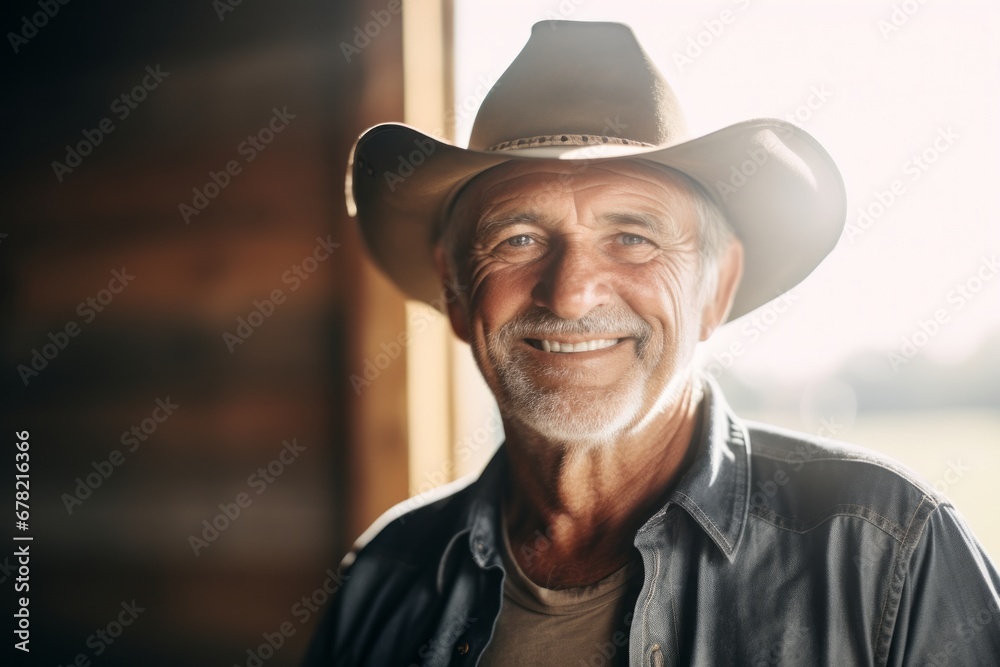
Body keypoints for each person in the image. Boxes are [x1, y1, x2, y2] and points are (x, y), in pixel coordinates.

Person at [305, 20, 1000, 666]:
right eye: (518, 238)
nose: (572, 292)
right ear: (457, 294)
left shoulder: (890, 554)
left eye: (632, 237)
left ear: (716, 289)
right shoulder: (382, 578)